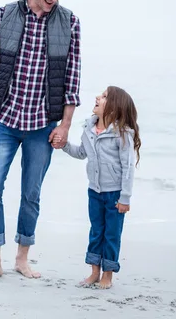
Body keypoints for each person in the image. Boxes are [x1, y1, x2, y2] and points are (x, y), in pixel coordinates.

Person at [0, 0, 82, 281]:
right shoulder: (4, 15)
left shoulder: (70, 22)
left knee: (31, 193)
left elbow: (72, 80)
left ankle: (22, 258)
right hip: (3, 121)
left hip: (43, 125)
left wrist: (65, 125)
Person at [60, 86, 141, 289]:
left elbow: (128, 167)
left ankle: (108, 275)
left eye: (104, 96)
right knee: (96, 231)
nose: (97, 97)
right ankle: (94, 272)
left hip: (115, 194)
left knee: (111, 234)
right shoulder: (89, 129)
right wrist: (63, 145)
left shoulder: (122, 134)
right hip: (94, 191)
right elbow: (80, 153)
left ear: (114, 107)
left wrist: (125, 197)